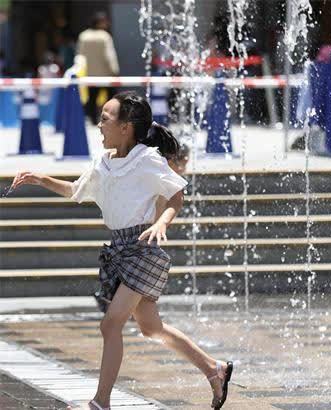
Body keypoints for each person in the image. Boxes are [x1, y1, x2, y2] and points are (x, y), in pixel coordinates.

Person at [9, 92, 233, 410]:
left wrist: (162, 225)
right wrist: (39, 178)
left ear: (126, 127)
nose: (99, 125)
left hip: (143, 249)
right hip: (119, 250)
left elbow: (176, 195)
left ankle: (100, 403)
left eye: (104, 118)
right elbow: (76, 191)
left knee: (111, 323)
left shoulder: (146, 159)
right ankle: (215, 369)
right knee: (151, 328)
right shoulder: (103, 162)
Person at [77, 11, 120, 124]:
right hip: (106, 74)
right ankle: (110, 119)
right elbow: (109, 55)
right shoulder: (104, 37)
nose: (107, 24)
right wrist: (114, 70)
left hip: (90, 73)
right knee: (111, 98)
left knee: (92, 98)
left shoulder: (84, 36)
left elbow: (80, 55)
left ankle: (92, 120)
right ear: (100, 23)